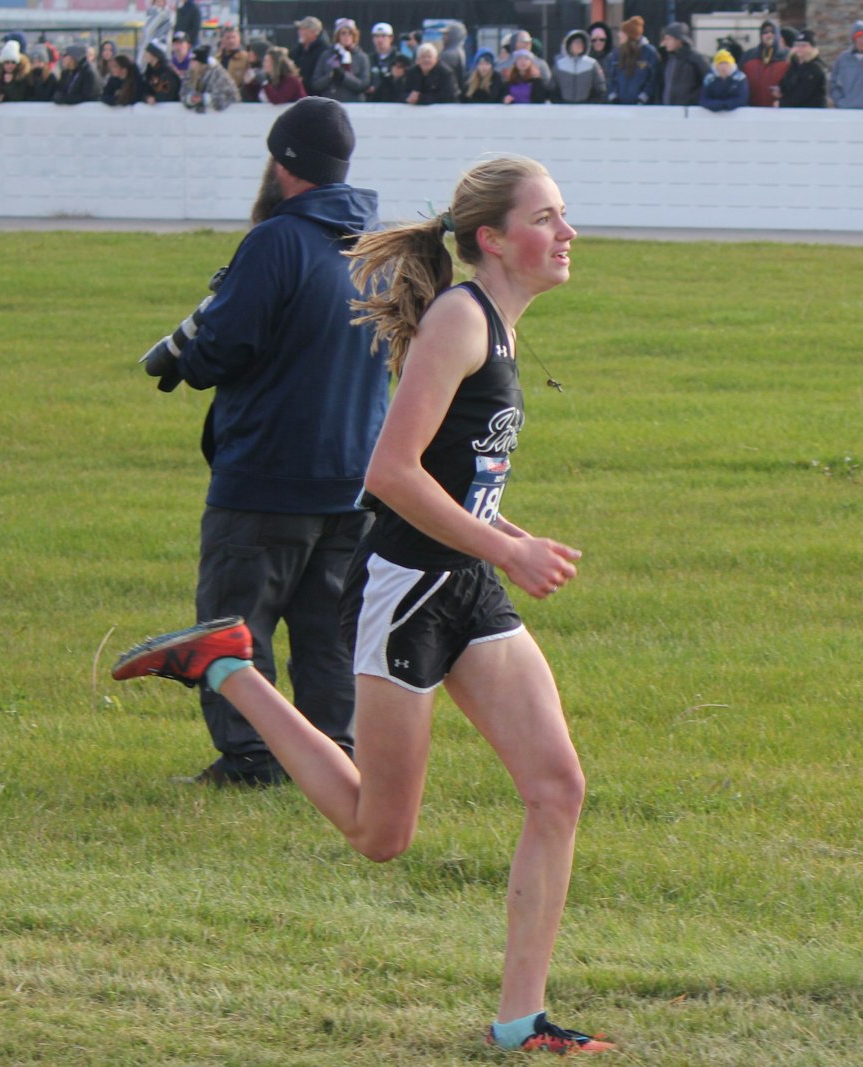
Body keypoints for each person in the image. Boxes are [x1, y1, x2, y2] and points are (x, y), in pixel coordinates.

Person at [113, 151, 612, 1058]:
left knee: (556, 785)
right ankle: (228, 664)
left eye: (563, 214)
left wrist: (502, 539)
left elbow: (460, 482)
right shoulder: (462, 320)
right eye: (546, 218)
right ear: (492, 239)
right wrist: (509, 546)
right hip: (407, 592)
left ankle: (521, 1022)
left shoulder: (496, 324)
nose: (566, 232)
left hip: (464, 583)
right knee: (380, 834)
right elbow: (388, 473)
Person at [131, 98, 389, 788]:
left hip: (268, 474)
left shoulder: (277, 240)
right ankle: (335, 754)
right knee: (328, 633)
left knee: (233, 626)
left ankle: (252, 759)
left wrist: (183, 360)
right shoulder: (376, 246)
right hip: (355, 477)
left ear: (282, 163)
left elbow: (221, 347)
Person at [605, 16, 657, 105]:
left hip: (643, 108)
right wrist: (613, 97)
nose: (619, 35)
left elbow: (653, 79)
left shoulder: (649, 53)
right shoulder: (615, 55)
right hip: (618, 107)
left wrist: (643, 98)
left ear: (629, 35)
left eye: (622, 32)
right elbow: (610, 78)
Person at [657, 21, 708, 106]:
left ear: (679, 40)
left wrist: (692, 99)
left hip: (690, 112)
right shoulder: (668, 60)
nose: (665, 42)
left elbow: (708, 83)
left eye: (669, 39)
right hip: (668, 110)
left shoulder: (696, 59)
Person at [740, 18, 787, 107]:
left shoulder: (787, 56)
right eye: (765, 32)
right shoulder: (748, 56)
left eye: (772, 32)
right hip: (753, 110)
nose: (769, 35)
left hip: (780, 110)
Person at [321, 19, 369, 102]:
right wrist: (330, 76)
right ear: (337, 36)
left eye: (350, 33)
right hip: (331, 102)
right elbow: (316, 83)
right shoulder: (327, 55)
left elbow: (364, 85)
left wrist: (344, 77)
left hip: (354, 104)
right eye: (343, 33)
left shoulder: (362, 57)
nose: (347, 36)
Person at [551, 28, 604, 104]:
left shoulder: (592, 64)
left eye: (582, 43)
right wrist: (559, 104)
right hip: (564, 108)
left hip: (586, 108)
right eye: (576, 42)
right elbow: (553, 88)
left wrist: (591, 104)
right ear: (569, 45)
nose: (580, 45)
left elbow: (600, 87)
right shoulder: (559, 65)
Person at [777, 29, 827, 108]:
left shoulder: (815, 68)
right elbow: (785, 84)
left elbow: (802, 93)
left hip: (811, 112)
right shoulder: (794, 65)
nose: (800, 48)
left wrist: (782, 104)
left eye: (804, 45)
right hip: (794, 112)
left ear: (812, 47)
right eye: (797, 45)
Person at [181, 42, 237, 110]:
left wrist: (204, 99)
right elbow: (183, 93)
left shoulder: (218, 75)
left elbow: (228, 96)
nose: (190, 64)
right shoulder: (190, 73)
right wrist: (190, 99)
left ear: (201, 63)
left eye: (193, 61)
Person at [366, 21, 397, 100]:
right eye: (376, 36)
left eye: (383, 36)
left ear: (391, 38)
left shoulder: (398, 58)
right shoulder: (368, 59)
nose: (379, 40)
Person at [138, 0, 172, 64]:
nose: (160, 2)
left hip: (158, 47)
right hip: (149, 47)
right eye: (158, 1)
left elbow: (148, 30)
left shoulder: (164, 14)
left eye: (161, 1)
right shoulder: (150, 13)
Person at [437, 20, 466, 86]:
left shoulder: (448, 55)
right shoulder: (459, 51)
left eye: (446, 34)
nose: (442, 37)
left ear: (453, 35)